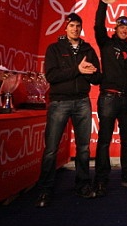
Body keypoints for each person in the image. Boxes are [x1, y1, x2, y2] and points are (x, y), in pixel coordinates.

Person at [35, 13, 102, 207]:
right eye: (72, 25)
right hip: (59, 103)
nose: (75, 29)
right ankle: (45, 190)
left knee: (83, 148)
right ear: (65, 28)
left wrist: (90, 73)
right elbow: (51, 76)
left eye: (78, 26)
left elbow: (97, 78)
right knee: (51, 149)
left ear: (81, 28)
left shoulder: (88, 49)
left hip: (82, 102)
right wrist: (77, 70)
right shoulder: (54, 49)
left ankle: (83, 185)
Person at [93, 0, 127, 196]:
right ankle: (101, 180)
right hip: (109, 98)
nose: (124, 30)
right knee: (104, 141)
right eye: (121, 27)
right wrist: (104, 1)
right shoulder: (106, 43)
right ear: (115, 28)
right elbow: (98, 24)